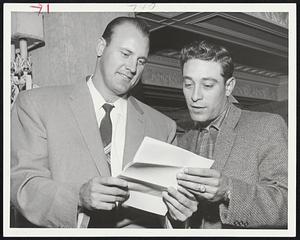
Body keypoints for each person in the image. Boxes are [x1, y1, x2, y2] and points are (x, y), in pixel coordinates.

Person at [10, 16, 197, 228]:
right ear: (101, 46)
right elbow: (23, 186)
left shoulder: (163, 127)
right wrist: (78, 198)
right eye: (125, 54)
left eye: (141, 61)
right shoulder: (37, 104)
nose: (132, 67)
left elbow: (167, 212)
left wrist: (179, 213)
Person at [174, 40, 288, 228]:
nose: (195, 96)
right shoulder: (180, 142)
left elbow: (286, 205)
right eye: (188, 84)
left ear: (229, 86)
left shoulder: (268, 126)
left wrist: (228, 190)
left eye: (208, 85)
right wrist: (173, 215)